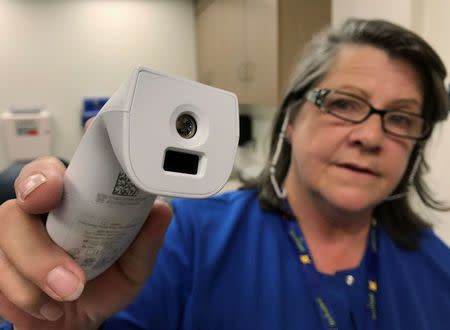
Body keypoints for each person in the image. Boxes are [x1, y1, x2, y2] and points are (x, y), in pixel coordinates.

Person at [0, 18, 449, 330]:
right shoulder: (183, 236)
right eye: (344, 103)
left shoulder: (439, 269)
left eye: (402, 118)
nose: (371, 136)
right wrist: (58, 320)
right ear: (290, 118)